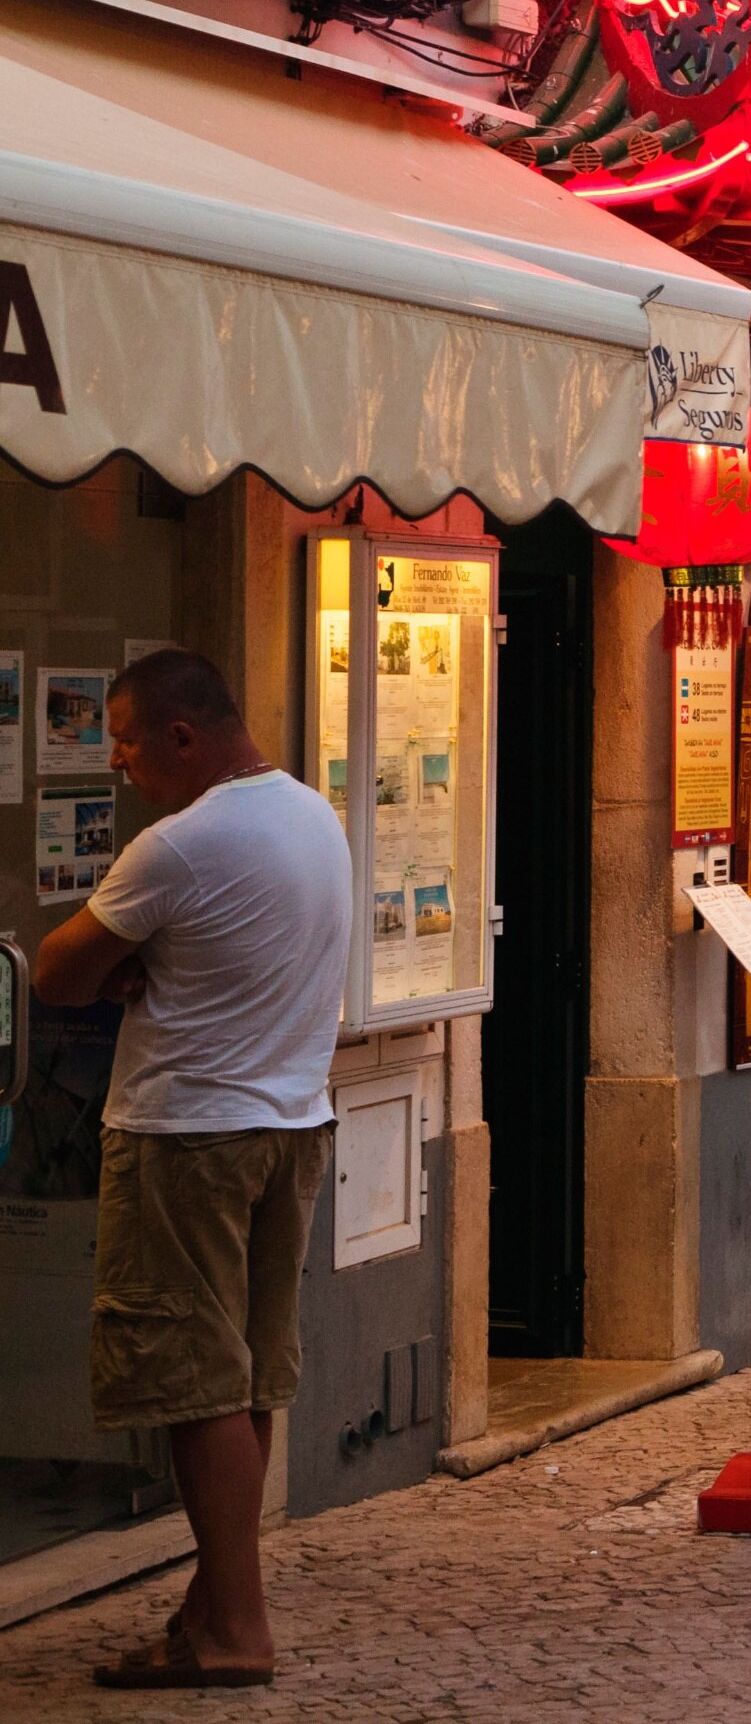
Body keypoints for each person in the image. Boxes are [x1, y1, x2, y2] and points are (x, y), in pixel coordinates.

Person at [33, 650, 351, 1690]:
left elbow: (55, 969)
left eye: (123, 739)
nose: (116, 760)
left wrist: (123, 961)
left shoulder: (180, 845)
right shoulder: (313, 814)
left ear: (182, 736)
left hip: (186, 1134)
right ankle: (213, 1604)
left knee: (193, 1381)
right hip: (292, 1120)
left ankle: (234, 1628)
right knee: (245, 1378)